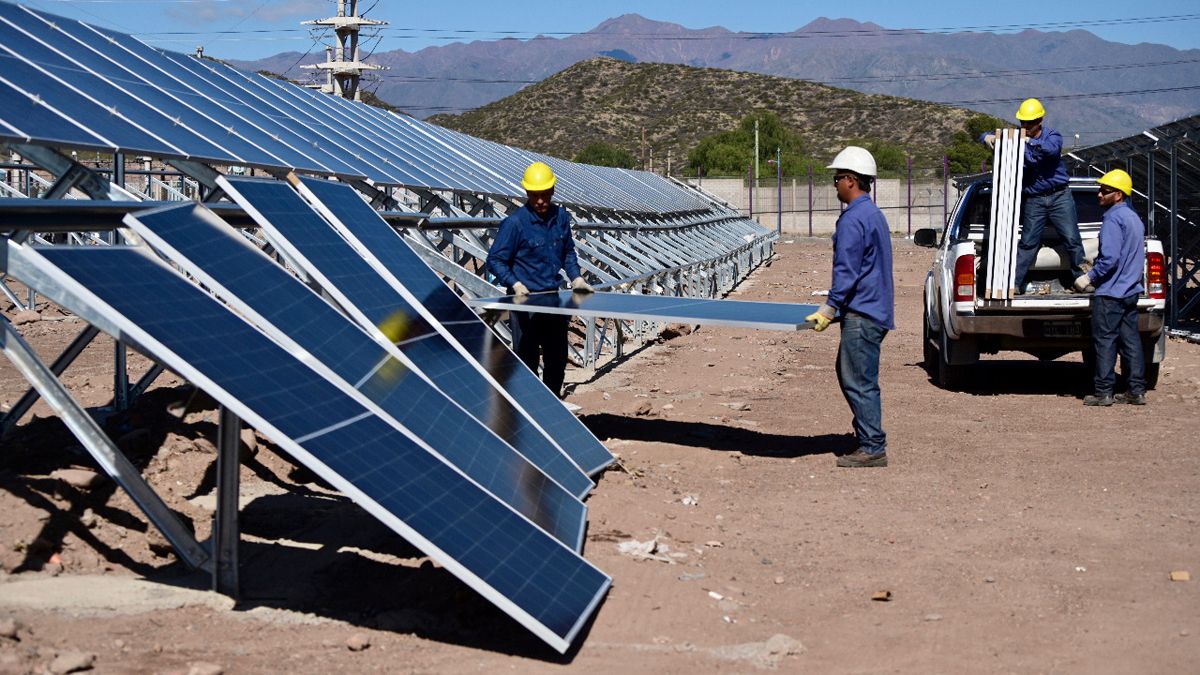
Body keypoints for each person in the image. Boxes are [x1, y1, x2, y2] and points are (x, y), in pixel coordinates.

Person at [805, 147, 895, 468]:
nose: (835, 185)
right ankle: (867, 435)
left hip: (863, 312)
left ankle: (872, 446)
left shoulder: (853, 220)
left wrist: (831, 307)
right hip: (875, 309)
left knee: (858, 379)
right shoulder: (873, 214)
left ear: (852, 180)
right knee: (851, 374)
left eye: (837, 178)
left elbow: (847, 269)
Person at [486, 161, 593, 397]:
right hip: (525, 302)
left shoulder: (561, 218)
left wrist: (576, 277)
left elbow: (567, 251)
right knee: (527, 359)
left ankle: (553, 402)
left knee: (557, 357)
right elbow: (495, 260)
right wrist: (514, 283)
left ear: (553, 191)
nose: (541, 201)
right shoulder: (515, 224)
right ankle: (532, 410)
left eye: (544, 195)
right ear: (527, 193)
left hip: (552, 300)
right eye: (535, 196)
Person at [981, 98, 1086, 293]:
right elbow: (986, 135)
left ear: (1040, 121)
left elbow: (1051, 150)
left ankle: (1081, 278)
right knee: (1028, 242)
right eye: (1023, 122)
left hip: (1059, 197)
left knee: (1071, 238)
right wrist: (988, 138)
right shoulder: (1017, 137)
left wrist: (1030, 141)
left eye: (1029, 123)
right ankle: (1014, 284)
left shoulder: (1052, 136)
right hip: (1034, 199)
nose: (1025, 126)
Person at [1076, 169, 1147, 407]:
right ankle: (1136, 391)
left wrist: (1089, 278)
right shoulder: (1133, 218)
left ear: (1118, 195)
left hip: (1111, 293)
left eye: (1104, 191)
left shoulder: (1113, 219)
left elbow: (1110, 258)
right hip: (1130, 291)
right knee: (1131, 342)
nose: (1099, 195)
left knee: (1105, 341)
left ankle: (1103, 392)